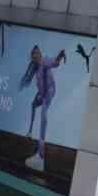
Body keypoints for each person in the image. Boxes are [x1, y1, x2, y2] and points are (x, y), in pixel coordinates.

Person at [20, 44, 67, 173]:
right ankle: (30, 131)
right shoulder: (35, 67)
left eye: (37, 53)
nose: (35, 56)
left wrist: (60, 56)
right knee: (33, 105)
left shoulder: (45, 61)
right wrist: (39, 95)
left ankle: (41, 156)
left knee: (43, 115)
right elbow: (39, 84)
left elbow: (55, 62)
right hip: (42, 93)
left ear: (39, 55)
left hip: (49, 92)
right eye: (33, 54)